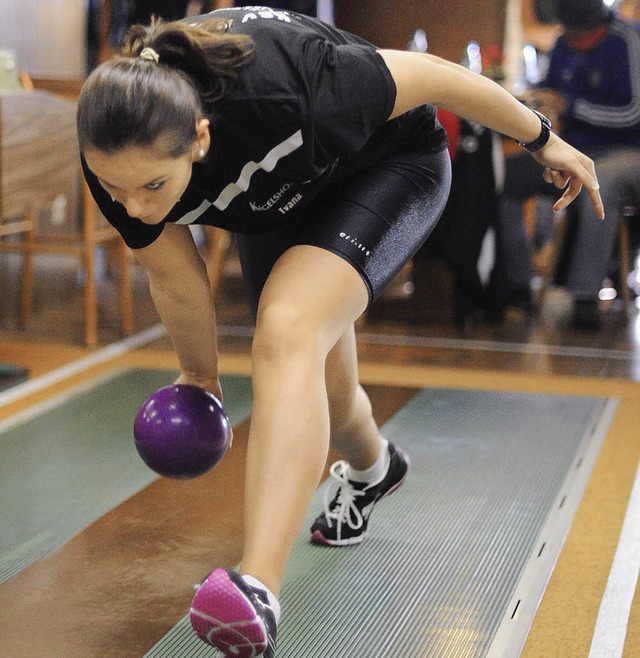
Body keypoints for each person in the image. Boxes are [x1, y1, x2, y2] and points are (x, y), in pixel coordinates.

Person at [76, 7, 602, 657]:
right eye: (114, 189)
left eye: (154, 185)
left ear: (202, 140)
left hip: (387, 167)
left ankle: (259, 589)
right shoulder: (116, 150)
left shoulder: (295, 87)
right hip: (276, 197)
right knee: (320, 385)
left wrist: (542, 138)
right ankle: (373, 466)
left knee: (287, 330)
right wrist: (200, 378)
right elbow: (178, 281)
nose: (134, 207)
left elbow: (439, 77)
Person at [495, 0, 640, 328]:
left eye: (580, 33)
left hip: (628, 151)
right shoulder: (561, 42)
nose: (573, 39)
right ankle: (516, 284)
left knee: (599, 177)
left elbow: (634, 114)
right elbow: (554, 98)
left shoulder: (628, 41)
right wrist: (536, 104)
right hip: (573, 148)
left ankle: (585, 297)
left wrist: (571, 107)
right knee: (506, 176)